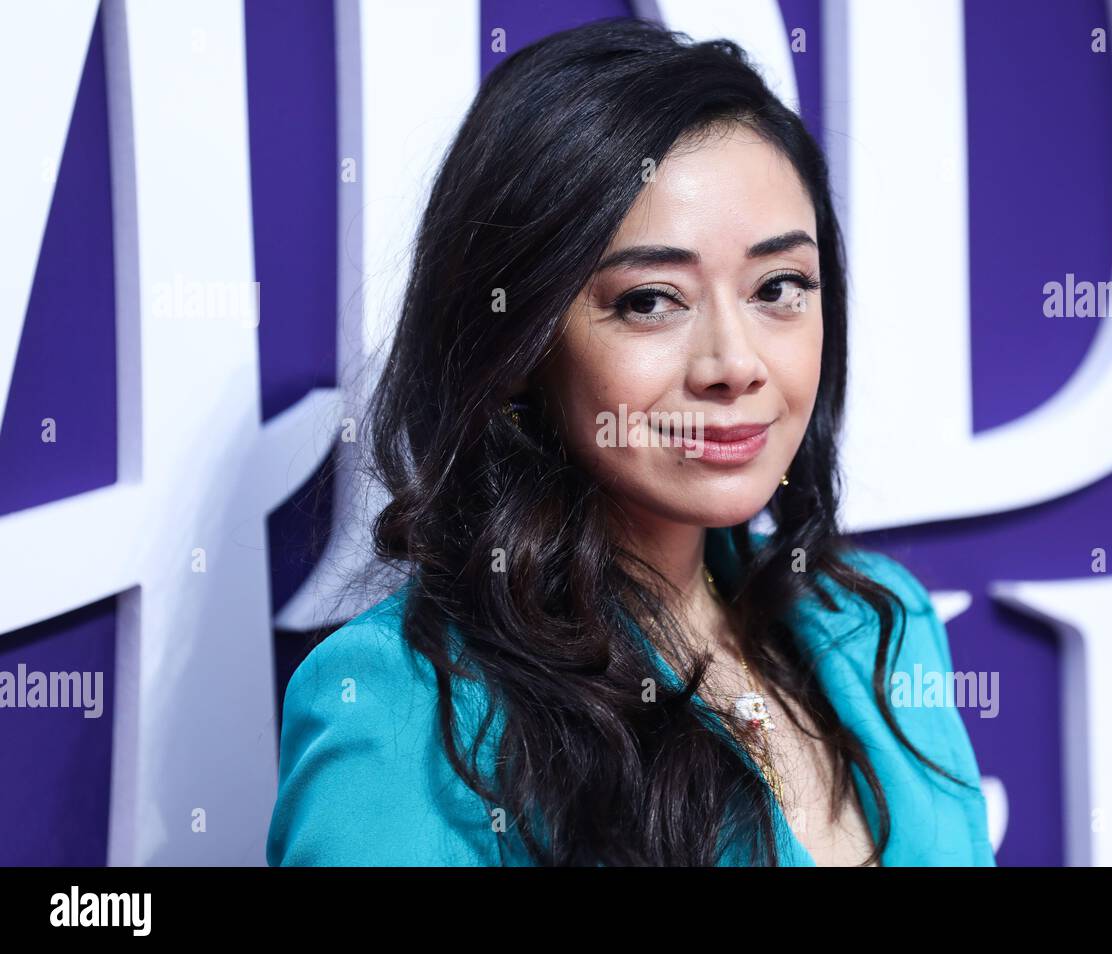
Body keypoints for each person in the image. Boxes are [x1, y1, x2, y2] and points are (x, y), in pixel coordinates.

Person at [266, 17, 995, 867]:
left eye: (779, 286)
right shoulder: (403, 704)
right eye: (651, 300)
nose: (734, 363)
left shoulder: (878, 623)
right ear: (519, 348)